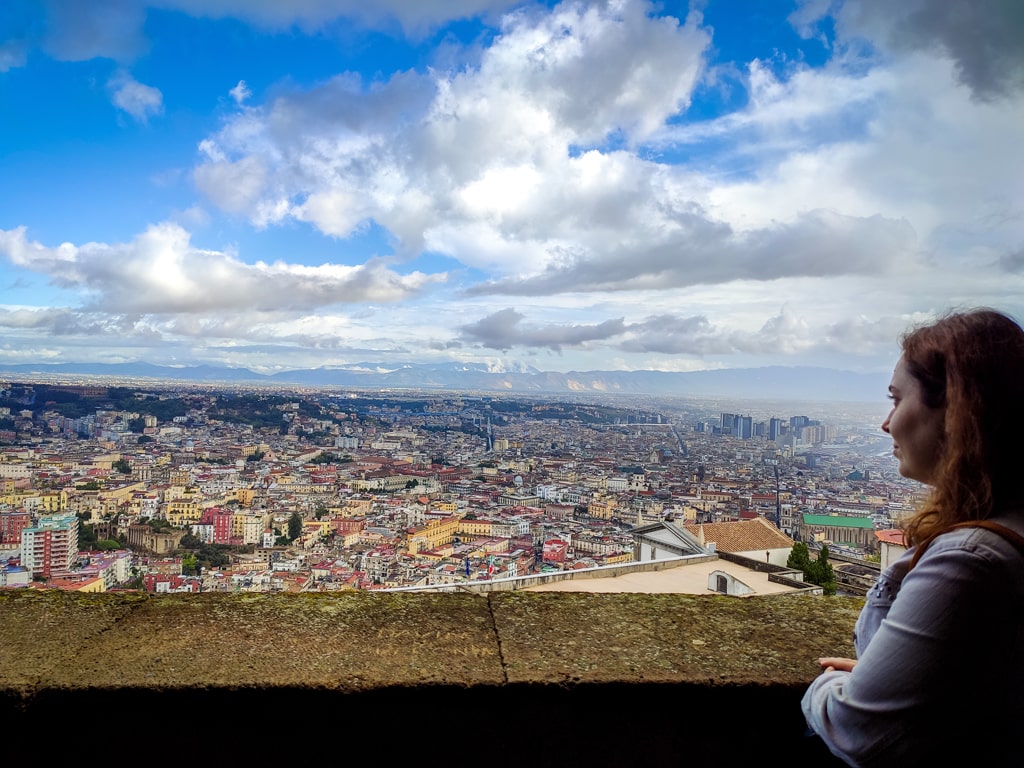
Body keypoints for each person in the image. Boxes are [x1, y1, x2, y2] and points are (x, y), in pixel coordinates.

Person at [801, 308, 1024, 766]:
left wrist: (827, 686)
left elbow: (854, 728)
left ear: (957, 413)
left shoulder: (971, 561)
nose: (886, 423)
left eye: (896, 400)